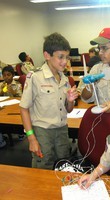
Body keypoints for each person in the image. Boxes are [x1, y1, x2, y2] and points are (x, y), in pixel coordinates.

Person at [19, 32, 78, 169]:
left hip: (62, 130)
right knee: (43, 167)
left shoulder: (64, 78)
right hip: (42, 132)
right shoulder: (35, 77)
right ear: (47, 55)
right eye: (60, 57)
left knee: (63, 165)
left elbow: (68, 110)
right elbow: (23, 108)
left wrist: (70, 100)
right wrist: (31, 138)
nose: (65, 61)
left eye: (67, 57)